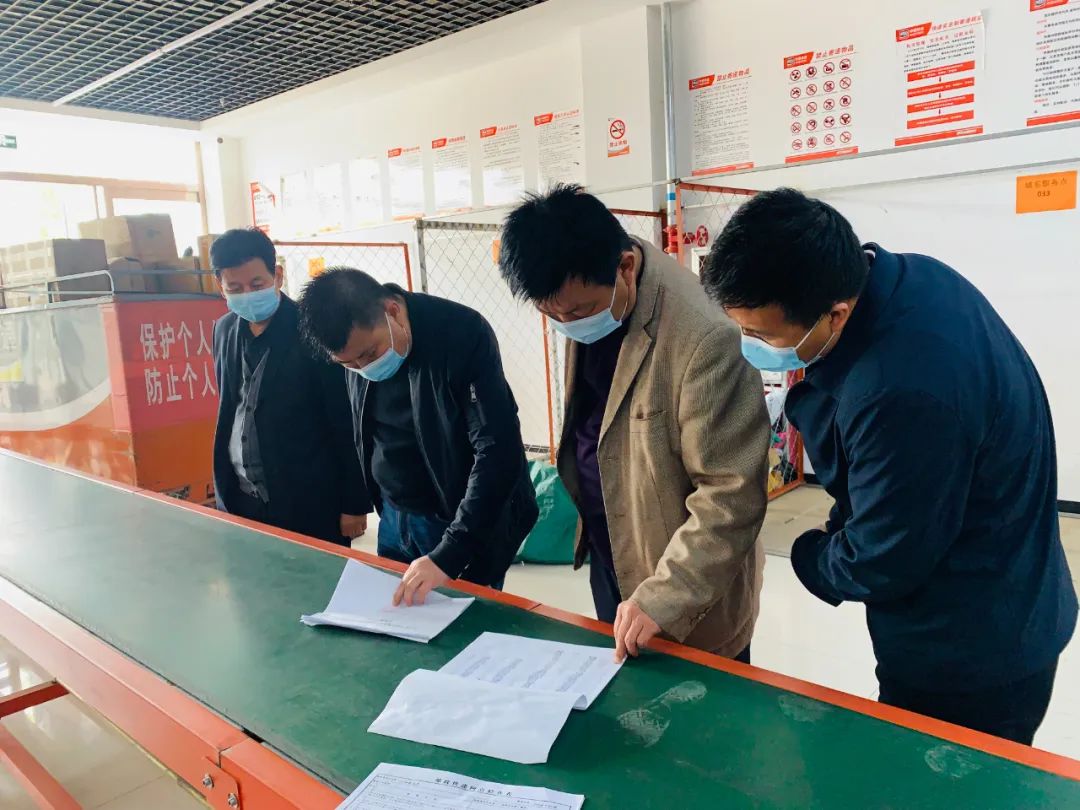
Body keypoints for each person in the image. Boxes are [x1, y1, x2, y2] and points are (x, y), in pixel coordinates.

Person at [701, 187, 1078, 744]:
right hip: (1014, 582)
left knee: (942, 772)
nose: (749, 345)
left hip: (970, 653)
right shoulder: (911, 276)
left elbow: (882, 558)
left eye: (761, 335)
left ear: (835, 313)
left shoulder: (900, 391)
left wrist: (812, 556)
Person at [498, 184, 771, 663]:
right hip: (617, 553)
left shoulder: (705, 336)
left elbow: (731, 495)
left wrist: (665, 595)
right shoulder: (587, 288)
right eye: (551, 314)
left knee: (699, 700)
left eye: (578, 312)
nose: (567, 323)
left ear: (625, 267)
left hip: (686, 581)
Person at [297, 268, 538, 606]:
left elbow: (497, 450)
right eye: (349, 365)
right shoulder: (353, 348)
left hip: (457, 516)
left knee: (464, 624)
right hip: (393, 516)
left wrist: (451, 551)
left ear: (392, 311)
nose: (364, 369)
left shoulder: (460, 333)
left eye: (369, 355)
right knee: (399, 619)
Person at [210, 229, 366, 545]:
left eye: (257, 285)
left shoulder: (314, 330)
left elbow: (344, 420)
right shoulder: (223, 330)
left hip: (309, 502)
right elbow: (231, 407)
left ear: (277, 276)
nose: (247, 294)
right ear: (220, 286)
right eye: (235, 288)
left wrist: (354, 503)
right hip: (241, 499)